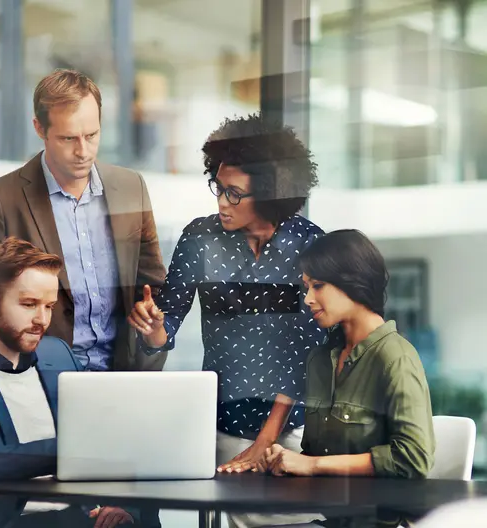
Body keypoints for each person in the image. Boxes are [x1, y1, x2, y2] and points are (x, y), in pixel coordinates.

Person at [0, 237, 158, 528]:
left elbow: (108, 437)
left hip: (83, 519)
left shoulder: (59, 353)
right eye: (29, 304)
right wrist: (67, 452)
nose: (42, 319)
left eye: (49, 306)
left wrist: (119, 503)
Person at [128, 113, 324, 476]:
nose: (222, 202)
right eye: (218, 187)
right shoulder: (200, 239)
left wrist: (266, 441)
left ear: (269, 193)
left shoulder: (309, 245)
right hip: (220, 425)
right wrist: (154, 328)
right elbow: (167, 320)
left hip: (293, 430)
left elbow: (308, 354)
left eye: (234, 193)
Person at [0, 68, 166, 373]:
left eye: (92, 135)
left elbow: (153, 287)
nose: (83, 151)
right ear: (39, 129)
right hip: (37, 380)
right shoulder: (2, 198)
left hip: (122, 377)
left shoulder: (130, 188)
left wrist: (152, 326)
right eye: (68, 138)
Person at [265, 229, 435, 528]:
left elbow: (413, 459)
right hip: (319, 516)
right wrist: (288, 463)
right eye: (306, 287)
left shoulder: (396, 358)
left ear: (353, 283)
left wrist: (312, 465)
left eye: (317, 286)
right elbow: (318, 454)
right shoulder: (320, 359)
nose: (308, 299)